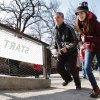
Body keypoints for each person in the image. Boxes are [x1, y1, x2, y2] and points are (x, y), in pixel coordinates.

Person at [75, 1, 100, 98]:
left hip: (99, 47)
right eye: (78, 13)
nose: (79, 15)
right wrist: (80, 41)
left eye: (81, 13)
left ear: (87, 13)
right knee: (86, 68)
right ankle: (96, 89)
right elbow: (81, 35)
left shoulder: (96, 23)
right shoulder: (78, 23)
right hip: (89, 48)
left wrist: (87, 38)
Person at [52, 12, 81, 90]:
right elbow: (55, 41)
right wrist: (54, 48)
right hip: (61, 52)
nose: (56, 19)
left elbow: (75, 41)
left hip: (71, 52)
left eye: (58, 17)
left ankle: (78, 84)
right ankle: (68, 79)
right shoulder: (54, 29)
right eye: (55, 17)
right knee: (58, 68)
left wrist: (67, 48)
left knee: (72, 69)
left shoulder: (69, 28)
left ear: (62, 18)